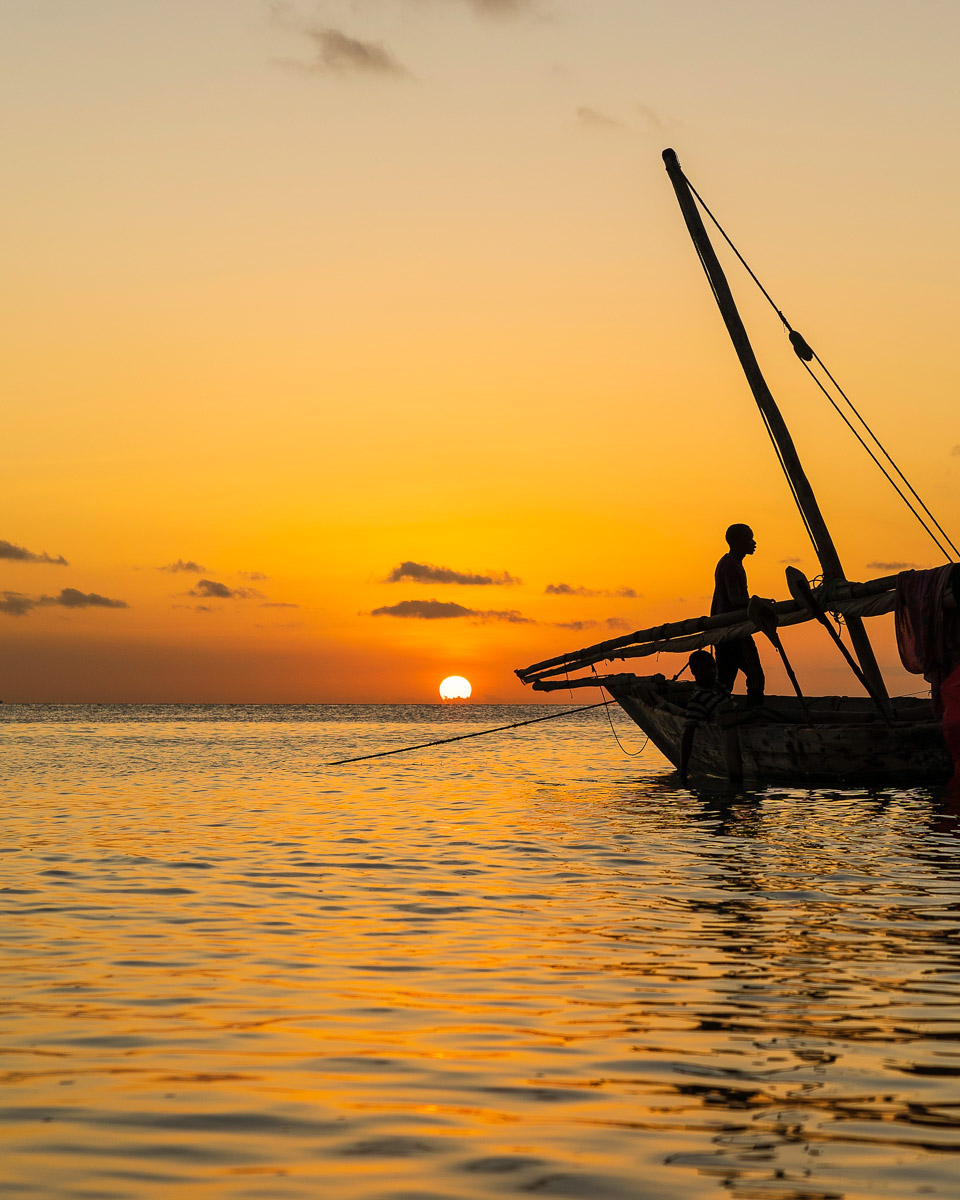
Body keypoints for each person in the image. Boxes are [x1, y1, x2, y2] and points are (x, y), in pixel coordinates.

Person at [712, 523, 764, 705]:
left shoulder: (730, 563)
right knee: (755, 675)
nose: (754, 543)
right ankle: (754, 711)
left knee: (725, 679)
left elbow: (722, 599)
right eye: (750, 539)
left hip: (726, 631)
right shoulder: (730, 566)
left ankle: (719, 709)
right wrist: (759, 602)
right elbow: (734, 600)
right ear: (736, 541)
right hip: (734, 631)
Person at [678, 650, 729, 784]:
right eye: (706, 669)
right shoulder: (698, 700)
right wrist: (683, 770)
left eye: (713, 667)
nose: (712, 672)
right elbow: (688, 734)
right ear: (695, 672)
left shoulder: (721, 689)